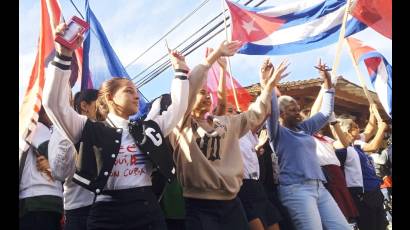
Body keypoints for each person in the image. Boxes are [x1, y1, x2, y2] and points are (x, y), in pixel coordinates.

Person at [43, 23, 190, 230]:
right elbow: (54, 104)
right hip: (106, 215)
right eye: (129, 90)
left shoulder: (147, 129)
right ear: (110, 97)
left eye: (136, 91)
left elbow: (178, 109)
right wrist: (64, 54)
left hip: (149, 211)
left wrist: (180, 72)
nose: (136, 95)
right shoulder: (88, 129)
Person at [167, 55, 288, 230]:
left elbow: (255, 114)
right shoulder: (182, 124)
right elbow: (190, 91)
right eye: (202, 92)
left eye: (208, 93)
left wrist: (267, 87)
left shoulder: (224, 123)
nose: (208, 96)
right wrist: (211, 59)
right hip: (200, 205)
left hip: (232, 202)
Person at [266, 60, 350, 230]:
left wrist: (327, 83)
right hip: (296, 190)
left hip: (320, 187)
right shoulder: (277, 133)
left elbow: (326, 113)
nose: (297, 112)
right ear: (281, 114)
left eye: (297, 108)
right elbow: (271, 112)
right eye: (292, 109)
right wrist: (270, 84)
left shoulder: (305, 128)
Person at [216, 55, 282, 230]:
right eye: (229, 111)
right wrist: (222, 70)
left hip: (258, 186)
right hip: (241, 187)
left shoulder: (246, 130)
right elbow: (221, 104)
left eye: (235, 110)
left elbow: (264, 111)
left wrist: (265, 83)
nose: (234, 113)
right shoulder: (221, 131)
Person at [302, 83, 359, 223]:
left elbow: (344, 144)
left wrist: (334, 122)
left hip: (337, 173)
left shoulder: (325, 138)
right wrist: (324, 88)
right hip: (325, 174)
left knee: (345, 215)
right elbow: (315, 113)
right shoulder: (304, 135)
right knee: (335, 213)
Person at [48, 89, 98, 230]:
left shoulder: (108, 131)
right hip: (79, 210)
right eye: (101, 103)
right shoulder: (61, 130)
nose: (105, 107)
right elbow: (59, 173)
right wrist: (67, 135)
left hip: (107, 207)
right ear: (84, 106)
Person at [334, 107, 389, 230]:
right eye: (354, 126)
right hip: (363, 195)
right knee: (370, 226)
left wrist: (372, 112)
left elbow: (369, 130)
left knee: (381, 226)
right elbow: (373, 146)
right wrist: (381, 129)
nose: (358, 127)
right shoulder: (341, 148)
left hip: (374, 191)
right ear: (346, 131)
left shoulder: (357, 144)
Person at [19, 106, 64, 230]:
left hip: (33, 202)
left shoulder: (28, 127)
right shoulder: (38, 127)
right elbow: (52, 154)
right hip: (41, 201)